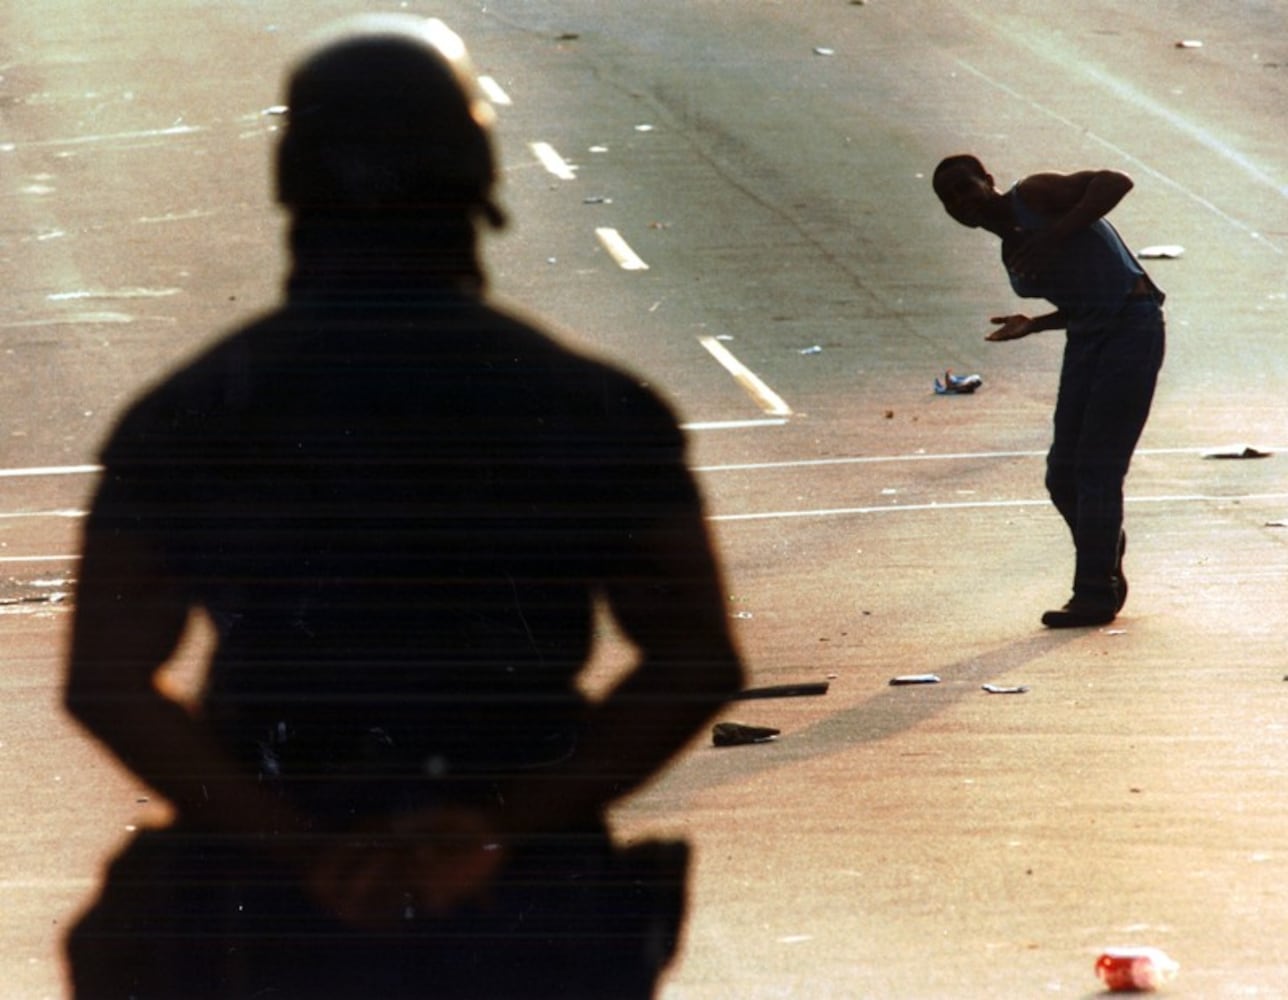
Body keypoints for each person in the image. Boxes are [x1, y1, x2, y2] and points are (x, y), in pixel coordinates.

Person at [64, 15, 744, 999]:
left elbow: (106, 679)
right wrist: (497, 827)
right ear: (477, 178)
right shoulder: (588, 404)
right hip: (521, 908)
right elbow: (694, 658)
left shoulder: (191, 412)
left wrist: (304, 850)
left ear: (292, 185)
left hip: (269, 917)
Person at [932, 154, 1165, 628]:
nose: (962, 201)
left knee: (1097, 467)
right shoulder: (1010, 250)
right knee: (1062, 475)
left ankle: (1094, 593)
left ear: (989, 181)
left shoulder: (1034, 195)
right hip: (1088, 335)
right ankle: (1103, 549)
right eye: (950, 199)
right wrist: (1035, 324)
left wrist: (1053, 236)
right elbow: (1082, 299)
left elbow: (1115, 181)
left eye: (966, 187)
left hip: (1131, 328)